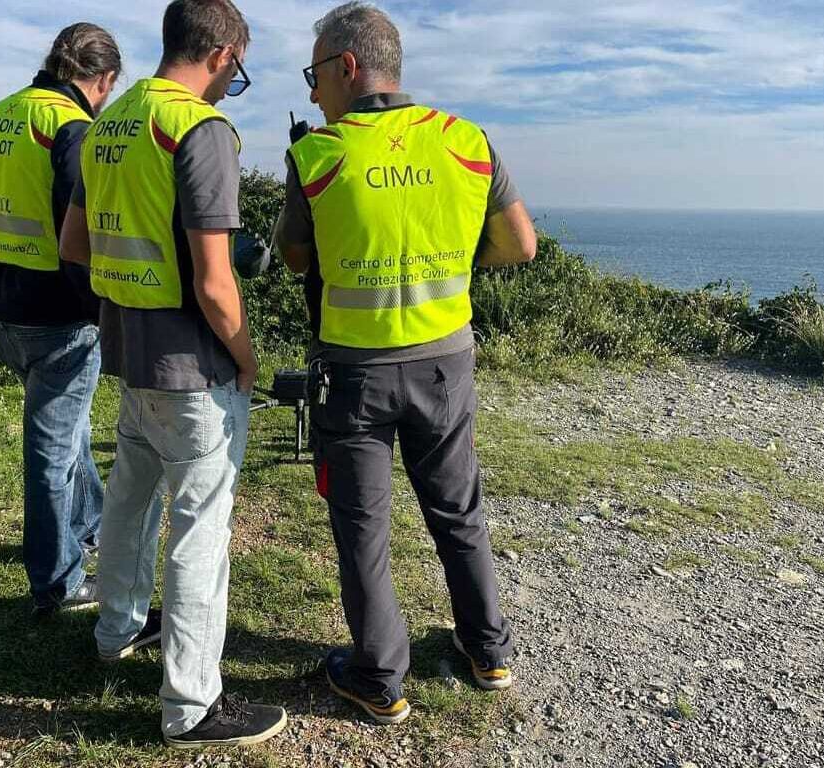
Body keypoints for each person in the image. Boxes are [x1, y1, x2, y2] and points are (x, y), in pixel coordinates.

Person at [275, 1, 538, 725]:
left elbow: (296, 256)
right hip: (445, 363)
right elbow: (520, 244)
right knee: (459, 512)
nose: (311, 92)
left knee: (363, 527)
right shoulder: (466, 140)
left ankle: (379, 680)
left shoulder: (317, 155)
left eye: (314, 73)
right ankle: (489, 652)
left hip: (354, 374)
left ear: (348, 67)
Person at [59, 0, 287, 749]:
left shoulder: (110, 123)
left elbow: (75, 245)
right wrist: (248, 362)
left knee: (129, 497)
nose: (232, 87)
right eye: (239, 72)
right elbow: (218, 284)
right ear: (223, 54)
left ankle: (116, 630)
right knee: (200, 530)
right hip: (194, 367)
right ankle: (191, 705)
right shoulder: (200, 129)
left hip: (128, 348)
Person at [0, 23, 121, 617]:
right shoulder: (71, 129)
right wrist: (98, 311)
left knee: (69, 429)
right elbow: (76, 237)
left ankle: (89, 526)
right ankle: (57, 580)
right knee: (53, 450)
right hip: (60, 318)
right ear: (102, 78)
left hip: (8, 302)